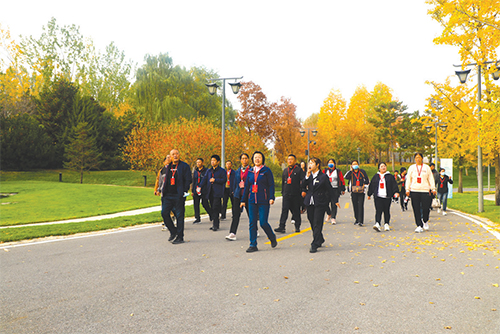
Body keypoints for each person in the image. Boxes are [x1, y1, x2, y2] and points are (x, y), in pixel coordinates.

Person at [240, 151, 277, 253]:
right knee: (252, 223)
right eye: (255, 157)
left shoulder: (266, 171)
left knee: (263, 222)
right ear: (253, 159)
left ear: (262, 159)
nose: (257, 159)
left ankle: (272, 237)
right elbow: (247, 187)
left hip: (263, 200)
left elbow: (271, 185)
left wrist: (271, 197)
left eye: (259, 157)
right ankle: (253, 244)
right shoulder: (250, 171)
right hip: (252, 200)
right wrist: (243, 200)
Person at [160, 149, 192, 244]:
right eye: (173, 154)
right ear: (170, 156)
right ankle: (173, 231)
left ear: (179, 154)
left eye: (176, 153)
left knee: (179, 216)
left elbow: (188, 179)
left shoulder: (184, 166)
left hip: (178, 195)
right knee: (164, 213)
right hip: (168, 195)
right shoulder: (168, 167)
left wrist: (184, 191)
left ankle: (180, 237)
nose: (175, 155)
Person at [302, 157, 332, 253]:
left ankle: (314, 244)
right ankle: (320, 238)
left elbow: (329, 190)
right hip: (310, 202)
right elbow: (302, 185)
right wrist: (307, 175)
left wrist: (330, 201)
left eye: (312, 163)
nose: (310, 164)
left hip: (320, 202)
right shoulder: (309, 176)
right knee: (311, 221)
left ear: (317, 165)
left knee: (317, 223)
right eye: (309, 163)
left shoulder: (323, 176)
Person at [406, 153, 436, 233]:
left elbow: (431, 178)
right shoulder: (412, 168)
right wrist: (407, 189)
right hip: (414, 190)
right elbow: (408, 179)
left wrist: (433, 188)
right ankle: (419, 225)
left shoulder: (426, 168)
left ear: (422, 158)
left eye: (419, 157)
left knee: (426, 207)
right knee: (416, 208)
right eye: (416, 158)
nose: (418, 159)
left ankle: (425, 220)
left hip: (425, 190)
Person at [275, 154, 304, 233]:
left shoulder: (299, 170)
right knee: (284, 210)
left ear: (295, 161)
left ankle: (297, 226)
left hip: (295, 194)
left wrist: (303, 190)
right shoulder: (285, 170)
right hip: (286, 194)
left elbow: (303, 181)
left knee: (296, 211)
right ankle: (282, 226)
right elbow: (283, 183)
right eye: (288, 159)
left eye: (291, 159)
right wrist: (283, 192)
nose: (290, 161)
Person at [367, 162, 400, 232]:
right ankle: (377, 224)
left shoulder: (390, 176)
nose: (383, 167)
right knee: (378, 210)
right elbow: (372, 185)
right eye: (381, 166)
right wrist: (369, 194)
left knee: (386, 210)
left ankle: (386, 224)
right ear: (379, 168)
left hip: (387, 196)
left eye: (384, 166)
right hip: (378, 196)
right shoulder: (376, 176)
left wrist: (396, 192)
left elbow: (394, 185)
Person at [226, 153, 251, 241]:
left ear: (248, 160)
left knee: (250, 214)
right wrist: (234, 191)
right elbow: (234, 183)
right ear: (240, 160)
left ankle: (254, 229)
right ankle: (232, 233)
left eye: (246, 158)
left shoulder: (251, 170)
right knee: (235, 214)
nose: (244, 160)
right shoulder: (237, 171)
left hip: (248, 195)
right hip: (238, 195)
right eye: (242, 158)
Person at [201, 155, 227, 231]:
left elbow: (224, 180)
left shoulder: (222, 171)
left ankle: (215, 225)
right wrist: (199, 186)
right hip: (210, 192)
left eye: (214, 160)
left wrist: (215, 180)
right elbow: (205, 179)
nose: (212, 162)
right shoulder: (209, 171)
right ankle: (215, 222)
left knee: (215, 208)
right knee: (212, 207)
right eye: (211, 160)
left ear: (218, 162)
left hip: (217, 192)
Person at [344, 160, 370, 226]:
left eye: (356, 164)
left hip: (361, 191)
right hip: (354, 191)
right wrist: (350, 170)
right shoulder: (351, 173)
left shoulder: (362, 172)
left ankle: (360, 221)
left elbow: (367, 180)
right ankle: (357, 219)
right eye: (353, 164)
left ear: (358, 165)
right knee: (355, 205)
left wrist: (364, 185)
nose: (355, 165)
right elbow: (346, 177)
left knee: (360, 205)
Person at [154, 155, 176, 231]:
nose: (168, 160)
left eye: (169, 158)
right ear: (164, 162)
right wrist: (157, 189)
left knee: (172, 207)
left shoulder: (174, 169)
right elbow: (159, 181)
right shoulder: (162, 171)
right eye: (166, 159)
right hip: (164, 192)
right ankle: (168, 222)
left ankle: (172, 219)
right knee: (164, 208)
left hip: (172, 191)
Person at [323, 158, 345, 225]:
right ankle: (329, 213)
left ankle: (333, 217)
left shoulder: (338, 171)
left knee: (334, 203)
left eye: (332, 162)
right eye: (329, 162)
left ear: (334, 164)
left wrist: (343, 189)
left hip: (335, 189)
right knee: (325, 203)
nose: (330, 164)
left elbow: (341, 179)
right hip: (326, 189)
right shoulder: (325, 170)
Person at [192, 158, 211, 224]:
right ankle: (197, 218)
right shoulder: (195, 171)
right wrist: (192, 190)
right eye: (197, 162)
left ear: (202, 163)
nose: (198, 164)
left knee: (205, 203)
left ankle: (211, 214)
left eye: (199, 162)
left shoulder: (206, 171)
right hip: (196, 190)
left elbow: (207, 181)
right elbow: (194, 181)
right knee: (196, 204)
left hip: (203, 190)